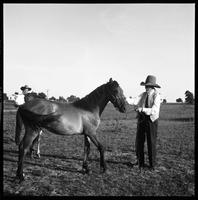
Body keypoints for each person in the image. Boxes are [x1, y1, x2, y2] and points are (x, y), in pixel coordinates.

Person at [127, 75, 161, 170]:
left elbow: (154, 110)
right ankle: (140, 162)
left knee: (151, 142)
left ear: (152, 87)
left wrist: (142, 109)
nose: (146, 88)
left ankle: (152, 165)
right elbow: (134, 100)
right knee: (139, 141)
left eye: (148, 86)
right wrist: (124, 99)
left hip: (151, 121)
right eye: (145, 86)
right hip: (142, 120)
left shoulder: (156, 95)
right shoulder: (143, 94)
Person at [14, 85, 42, 158]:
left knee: (30, 128)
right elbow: (15, 104)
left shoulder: (31, 97)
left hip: (29, 112)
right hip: (21, 111)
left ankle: (29, 144)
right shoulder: (19, 96)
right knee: (19, 126)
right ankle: (17, 140)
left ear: (28, 90)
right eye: (24, 89)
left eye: (27, 89)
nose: (25, 90)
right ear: (23, 90)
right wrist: (18, 105)